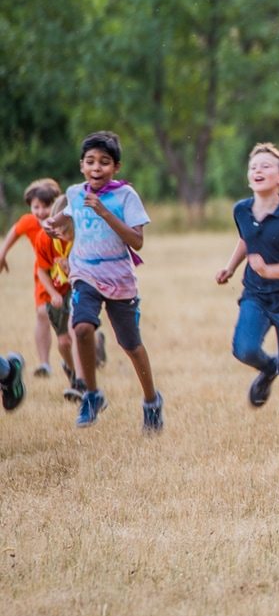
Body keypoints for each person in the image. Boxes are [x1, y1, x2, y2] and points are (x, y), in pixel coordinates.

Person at [47, 131, 164, 432]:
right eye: (90, 162)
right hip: (84, 273)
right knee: (82, 328)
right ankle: (92, 394)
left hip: (120, 279)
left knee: (131, 344)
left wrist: (104, 211)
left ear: (116, 167)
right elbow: (67, 217)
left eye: (104, 162)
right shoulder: (75, 193)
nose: (97, 168)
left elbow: (136, 241)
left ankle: (151, 401)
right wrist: (52, 224)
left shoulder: (125, 196)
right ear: (82, 166)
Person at [215, 143, 279, 434]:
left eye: (265, 166)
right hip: (256, 295)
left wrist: (268, 270)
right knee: (244, 349)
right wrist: (231, 267)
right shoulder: (241, 210)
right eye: (253, 167)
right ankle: (269, 367)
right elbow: (246, 239)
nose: (257, 170)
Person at [0, 178, 62, 377]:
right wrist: (2, 254)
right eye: (37, 207)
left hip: (68, 273)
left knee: (75, 321)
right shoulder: (28, 222)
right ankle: (44, 363)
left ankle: (94, 346)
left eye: (47, 206)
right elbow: (12, 234)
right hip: (44, 273)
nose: (42, 212)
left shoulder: (64, 221)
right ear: (30, 207)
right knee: (42, 313)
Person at [34, 196, 88, 402]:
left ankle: (81, 383)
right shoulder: (44, 238)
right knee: (64, 342)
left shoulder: (83, 238)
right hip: (56, 292)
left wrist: (73, 269)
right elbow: (42, 271)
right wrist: (54, 294)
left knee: (77, 333)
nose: (65, 236)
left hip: (77, 288)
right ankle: (72, 371)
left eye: (69, 231)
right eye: (61, 231)